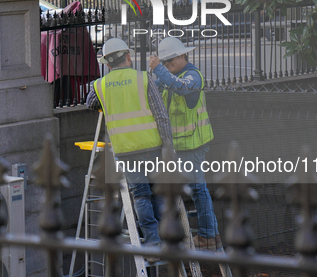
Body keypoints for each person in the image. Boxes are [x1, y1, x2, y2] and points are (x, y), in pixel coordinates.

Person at [86, 38, 172, 250]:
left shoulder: (100, 85)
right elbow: (161, 116)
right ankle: (167, 239)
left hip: (126, 151)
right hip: (152, 147)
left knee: (141, 195)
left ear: (107, 64)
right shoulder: (143, 78)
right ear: (128, 56)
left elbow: (90, 103)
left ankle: (152, 242)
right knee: (158, 192)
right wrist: (168, 145)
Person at [149, 37, 222, 251]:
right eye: (165, 62)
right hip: (179, 146)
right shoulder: (169, 75)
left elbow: (181, 88)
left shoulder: (193, 75)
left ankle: (208, 236)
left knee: (198, 190)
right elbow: (154, 89)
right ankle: (211, 235)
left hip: (193, 145)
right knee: (193, 190)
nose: (168, 66)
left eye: (170, 61)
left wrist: (159, 70)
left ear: (182, 56)